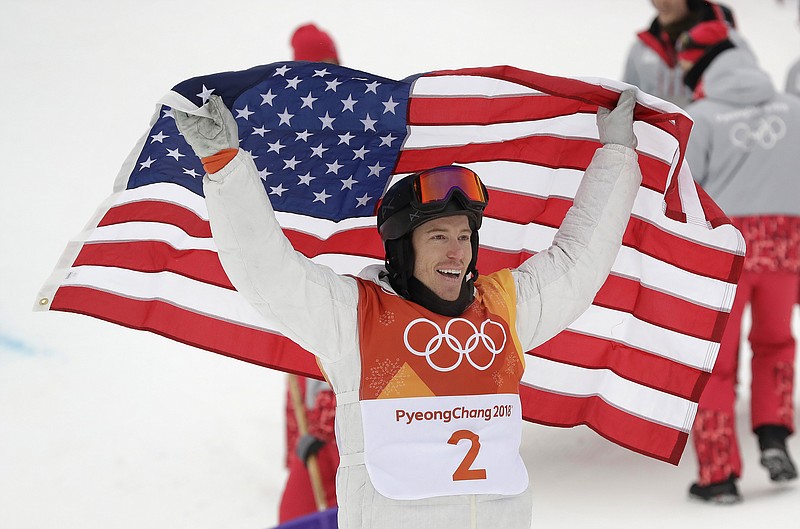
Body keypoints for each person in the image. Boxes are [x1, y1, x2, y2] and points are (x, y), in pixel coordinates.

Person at [173, 86, 642, 528]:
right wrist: (225, 167)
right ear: (402, 250)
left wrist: (616, 157)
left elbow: (578, 263)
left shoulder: (503, 310)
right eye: (438, 237)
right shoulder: (355, 318)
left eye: (464, 237)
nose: (457, 252)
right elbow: (267, 271)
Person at [676, 20, 800, 504]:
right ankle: (774, 436)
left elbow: (688, 195)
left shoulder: (701, 118)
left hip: (726, 252)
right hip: (788, 246)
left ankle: (720, 474)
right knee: (775, 344)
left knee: (715, 365)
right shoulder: (794, 110)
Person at [277, 23, 343, 523]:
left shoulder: (296, 133)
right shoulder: (286, 131)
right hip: (302, 289)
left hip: (323, 291)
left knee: (323, 388)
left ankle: (316, 456)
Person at [623, 0, 738, 108]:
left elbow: (744, 97)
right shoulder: (641, 48)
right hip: (652, 129)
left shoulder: (727, 43)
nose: (661, 3)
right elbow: (625, 100)